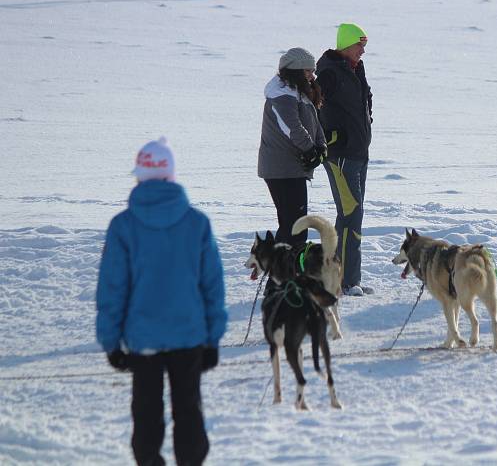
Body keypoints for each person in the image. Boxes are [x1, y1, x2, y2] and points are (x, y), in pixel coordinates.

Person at [96, 137, 227, 465]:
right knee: (189, 414)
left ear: (139, 176)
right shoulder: (197, 223)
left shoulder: (122, 226)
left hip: (144, 341)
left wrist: (111, 342)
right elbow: (212, 287)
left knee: (146, 418)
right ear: (171, 175)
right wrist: (213, 338)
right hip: (189, 337)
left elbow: (113, 289)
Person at [316, 23, 374, 296]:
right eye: (359, 45)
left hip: (359, 153)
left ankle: (346, 279)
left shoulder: (354, 69)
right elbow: (312, 104)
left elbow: (366, 99)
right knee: (351, 215)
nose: (363, 50)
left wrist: (367, 120)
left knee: (352, 216)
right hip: (340, 156)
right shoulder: (329, 72)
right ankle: (346, 282)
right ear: (346, 45)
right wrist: (330, 137)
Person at [258, 47, 327, 248]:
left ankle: (285, 272)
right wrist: (310, 149)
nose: (312, 76)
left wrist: (321, 147)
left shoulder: (296, 93)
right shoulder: (281, 95)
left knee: (294, 226)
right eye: (308, 71)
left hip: (292, 168)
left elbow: (314, 123)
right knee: (294, 228)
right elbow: (292, 127)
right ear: (295, 71)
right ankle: (282, 272)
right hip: (282, 169)